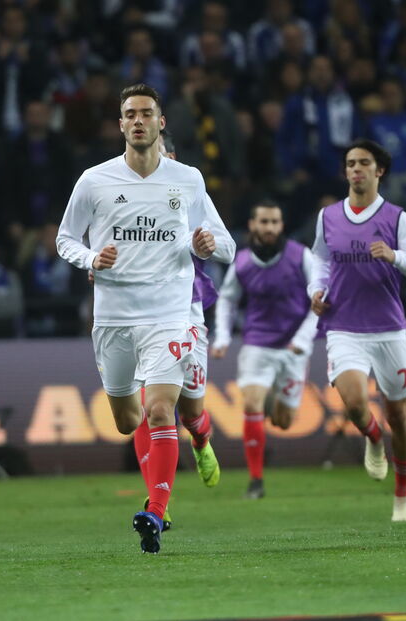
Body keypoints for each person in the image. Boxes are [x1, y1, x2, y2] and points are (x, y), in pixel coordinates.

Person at [56, 84, 234, 553]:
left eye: (146, 113)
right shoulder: (94, 180)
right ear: (120, 125)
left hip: (170, 316)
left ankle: (155, 512)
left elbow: (228, 244)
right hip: (113, 320)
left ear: (161, 122)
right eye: (129, 114)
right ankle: (191, 446)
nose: (138, 121)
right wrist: (91, 259)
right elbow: (64, 239)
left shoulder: (187, 179)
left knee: (160, 408)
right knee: (126, 419)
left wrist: (210, 247)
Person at [309, 139, 406, 522]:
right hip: (343, 325)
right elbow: (319, 257)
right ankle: (373, 439)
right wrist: (315, 289)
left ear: (379, 171)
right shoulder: (328, 216)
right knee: (353, 402)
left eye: (364, 163)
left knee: (399, 415)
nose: (356, 169)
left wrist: (394, 256)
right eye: (350, 163)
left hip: (388, 330)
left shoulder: (396, 219)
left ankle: (403, 495)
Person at [130, 130, 230, 531]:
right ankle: (158, 502)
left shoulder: (189, 189)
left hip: (185, 314)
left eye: (163, 151)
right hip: (136, 315)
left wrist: (208, 244)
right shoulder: (122, 194)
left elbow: (228, 246)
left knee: (190, 411)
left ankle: (202, 440)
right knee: (150, 408)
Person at [211, 200, 319, 499]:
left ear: (281, 225)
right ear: (253, 225)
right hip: (257, 342)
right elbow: (227, 299)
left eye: (274, 222)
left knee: (283, 422)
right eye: (264, 222)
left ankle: (272, 394)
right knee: (251, 403)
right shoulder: (243, 262)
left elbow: (320, 302)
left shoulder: (301, 257)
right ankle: (256, 481)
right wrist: (222, 338)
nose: (269, 228)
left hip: (294, 347)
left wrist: (303, 339)